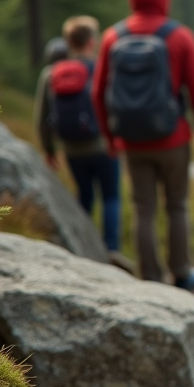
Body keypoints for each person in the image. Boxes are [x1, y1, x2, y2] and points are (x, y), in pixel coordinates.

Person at [92, 0, 194, 290]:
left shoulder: (112, 37)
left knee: (143, 208)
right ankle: (182, 273)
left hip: (132, 141)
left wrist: (110, 137)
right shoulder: (179, 36)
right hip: (173, 138)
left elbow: (98, 93)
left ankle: (150, 279)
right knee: (177, 205)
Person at [34, 17, 122, 254]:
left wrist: (49, 150)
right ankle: (111, 249)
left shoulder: (52, 74)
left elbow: (41, 118)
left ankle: (83, 249)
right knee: (111, 198)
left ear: (69, 42)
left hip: (72, 149)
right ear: (91, 42)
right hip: (103, 146)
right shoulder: (102, 69)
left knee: (84, 196)